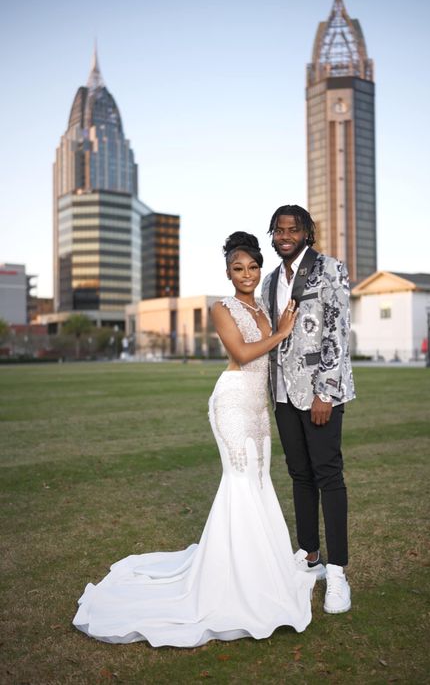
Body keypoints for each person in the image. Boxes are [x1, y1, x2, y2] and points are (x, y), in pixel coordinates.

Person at [72, 231, 316, 648]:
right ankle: (230, 581)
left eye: (253, 267)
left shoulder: (261, 306)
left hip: (259, 407)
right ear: (227, 272)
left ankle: (262, 570)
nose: (246, 275)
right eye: (238, 269)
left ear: (260, 269)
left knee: (259, 482)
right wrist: (284, 331)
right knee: (239, 482)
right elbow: (241, 354)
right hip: (233, 402)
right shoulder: (222, 309)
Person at [261, 205, 355, 614]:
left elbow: (337, 330)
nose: (285, 235)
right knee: (299, 475)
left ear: (306, 233)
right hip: (282, 393)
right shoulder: (268, 281)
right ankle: (310, 556)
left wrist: (326, 392)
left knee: (328, 476)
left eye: (293, 229)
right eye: (279, 229)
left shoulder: (330, 269)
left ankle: (337, 574)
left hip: (319, 394)